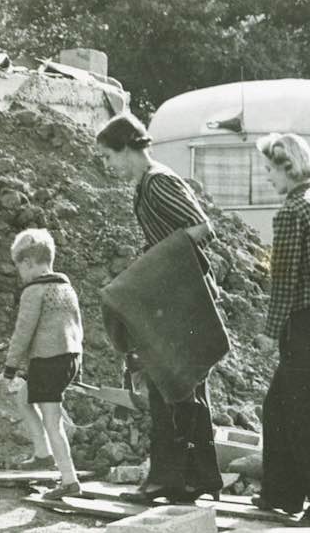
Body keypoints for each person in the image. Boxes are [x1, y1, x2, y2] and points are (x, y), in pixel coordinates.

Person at [96, 113, 223, 504]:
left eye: (108, 156)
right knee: (176, 389)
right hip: (171, 300)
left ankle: (176, 481)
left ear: (126, 148)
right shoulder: (145, 185)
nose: (108, 166)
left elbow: (202, 228)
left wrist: (148, 269)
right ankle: (192, 479)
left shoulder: (158, 181)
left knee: (172, 388)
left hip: (181, 300)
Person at [250, 133, 310, 527]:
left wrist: (270, 331)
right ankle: (283, 492)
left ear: (288, 168)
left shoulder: (292, 211)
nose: (268, 177)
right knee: (278, 405)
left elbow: (284, 282)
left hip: (306, 323)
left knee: (307, 417)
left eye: (270, 170)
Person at [1, 229, 84, 500]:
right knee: (24, 399)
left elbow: (23, 332)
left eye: (19, 268)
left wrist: (10, 368)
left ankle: (69, 480)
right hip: (68, 357)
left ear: (27, 263)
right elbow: (77, 327)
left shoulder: (33, 291)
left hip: (48, 361)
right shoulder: (66, 287)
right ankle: (42, 453)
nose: (20, 275)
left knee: (52, 422)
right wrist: (79, 364)